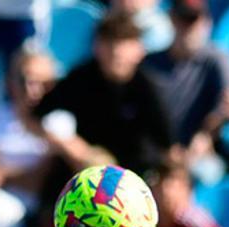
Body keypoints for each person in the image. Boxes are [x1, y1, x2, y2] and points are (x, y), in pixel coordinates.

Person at [30, 12, 173, 182]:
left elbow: (169, 148)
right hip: (83, 176)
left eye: (124, 42)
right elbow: (35, 117)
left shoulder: (149, 89)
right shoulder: (80, 79)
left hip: (133, 181)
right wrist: (76, 149)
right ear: (96, 46)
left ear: (140, 49)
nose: (116, 51)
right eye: (110, 41)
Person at [143, 0, 229, 177]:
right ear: (171, 18)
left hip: (197, 157)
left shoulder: (216, 60)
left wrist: (205, 135)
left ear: (206, 22)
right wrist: (165, 153)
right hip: (156, 154)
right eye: (183, 19)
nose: (188, 27)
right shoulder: (149, 63)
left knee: (207, 173)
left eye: (194, 19)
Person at [0, 46, 60, 211]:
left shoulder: (64, 122)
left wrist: (2, 175)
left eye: (43, 82)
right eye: (24, 80)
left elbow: (47, 180)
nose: (32, 90)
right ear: (9, 82)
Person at [150, 157, 229, 227]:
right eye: (159, 184)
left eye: (173, 185)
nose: (165, 191)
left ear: (187, 190)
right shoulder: (146, 222)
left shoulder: (197, 225)